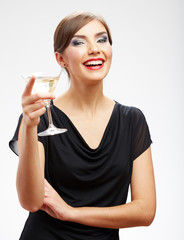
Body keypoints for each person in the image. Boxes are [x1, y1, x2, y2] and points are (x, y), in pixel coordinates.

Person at [9, 11, 156, 240]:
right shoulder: (38, 118)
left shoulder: (132, 120)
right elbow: (30, 201)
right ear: (61, 59)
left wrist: (71, 213)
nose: (94, 48)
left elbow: (145, 212)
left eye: (102, 39)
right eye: (79, 42)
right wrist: (28, 126)